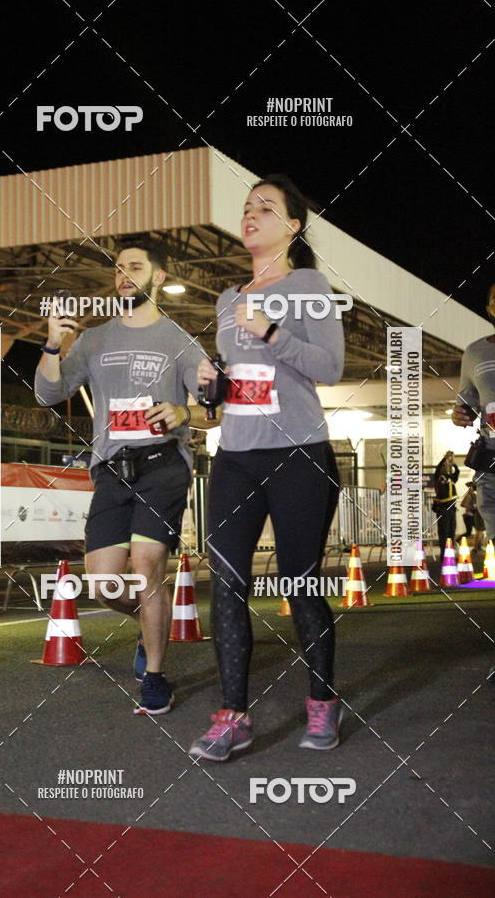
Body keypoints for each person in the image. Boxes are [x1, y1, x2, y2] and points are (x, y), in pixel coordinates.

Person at [188, 174, 344, 762]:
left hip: (298, 454)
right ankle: (233, 716)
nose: (250, 215)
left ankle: (323, 705)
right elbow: (242, 386)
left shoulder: (308, 285)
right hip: (235, 456)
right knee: (226, 582)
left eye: (266, 207)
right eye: (247, 206)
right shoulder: (229, 297)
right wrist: (212, 387)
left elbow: (327, 367)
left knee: (301, 584)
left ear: (293, 226)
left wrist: (271, 330)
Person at [35, 241, 209, 715]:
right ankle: (150, 622)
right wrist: (53, 344)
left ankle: (154, 675)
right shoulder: (93, 339)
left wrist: (183, 411)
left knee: (147, 568)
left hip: (163, 467)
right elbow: (48, 393)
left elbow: (214, 409)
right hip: (111, 470)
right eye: (118, 269)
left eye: (135, 267)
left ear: (157, 276)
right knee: (103, 585)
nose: (124, 275)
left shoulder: (178, 340)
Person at [452, 284, 495, 541]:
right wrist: (459, 415)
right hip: (491, 461)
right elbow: (466, 403)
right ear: (489, 307)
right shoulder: (475, 353)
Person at [433, 450, 459, 560]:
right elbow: (437, 469)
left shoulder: (451, 478)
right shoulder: (439, 479)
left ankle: (450, 554)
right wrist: (445, 458)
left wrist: (453, 463)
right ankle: (444, 554)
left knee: (451, 532)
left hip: (452, 509)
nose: (446, 468)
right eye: (444, 466)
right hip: (443, 509)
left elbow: (456, 472)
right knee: (443, 532)